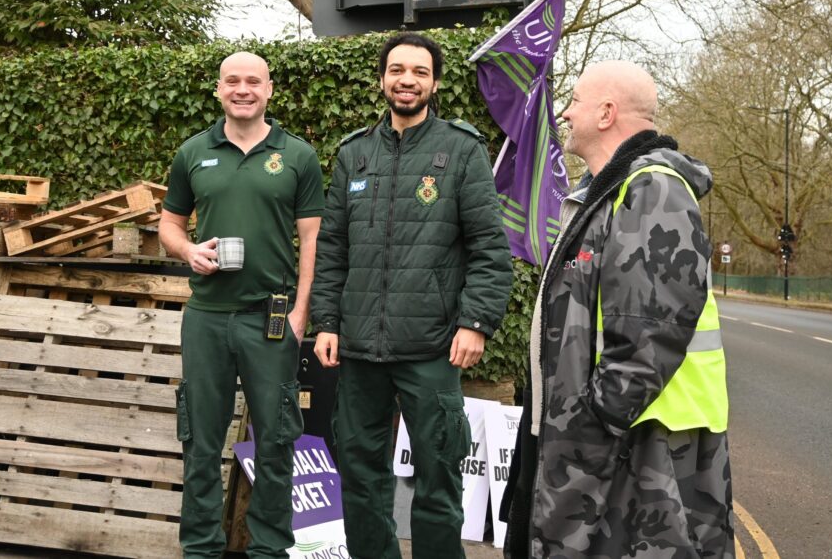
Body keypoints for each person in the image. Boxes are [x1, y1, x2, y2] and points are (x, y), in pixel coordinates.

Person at [501, 61, 734, 558]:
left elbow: (651, 331)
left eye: (576, 101)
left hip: (641, 444)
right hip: (608, 438)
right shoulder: (607, 190)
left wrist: (594, 422)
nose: (564, 111)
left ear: (606, 113)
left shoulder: (651, 187)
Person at [310, 32, 513, 558]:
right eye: (397, 70)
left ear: (435, 82)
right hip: (358, 349)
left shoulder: (461, 149)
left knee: (439, 478)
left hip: (431, 347)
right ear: (382, 79)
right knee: (359, 475)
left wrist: (476, 323)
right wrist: (326, 322)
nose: (407, 80)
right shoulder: (353, 154)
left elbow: (490, 246)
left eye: (419, 72)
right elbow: (332, 248)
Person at [159, 51, 325, 559]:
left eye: (253, 81)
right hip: (206, 317)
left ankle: (269, 550)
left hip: (270, 319)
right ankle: (201, 551)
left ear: (269, 89)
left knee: (276, 441)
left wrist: (301, 312)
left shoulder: (297, 156)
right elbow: (169, 224)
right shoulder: (193, 152)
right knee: (201, 443)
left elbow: (313, 240)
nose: (243, 89)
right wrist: (187, 250)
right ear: (218, 89)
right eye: (233, 81)